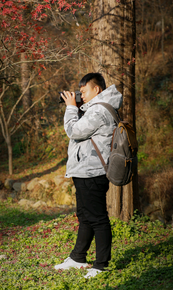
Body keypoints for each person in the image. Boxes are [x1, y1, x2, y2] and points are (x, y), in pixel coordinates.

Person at [54, 73, 123, 278]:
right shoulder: (94, 109)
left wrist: (70, 107)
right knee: (85, 216)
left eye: (83, 92)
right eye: (79, 92)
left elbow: (74, 131)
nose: (80, 95)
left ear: (97, 90)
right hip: (85, 171)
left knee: (98, 219)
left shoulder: (99, 111)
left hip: (92, 172)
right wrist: (78, 107)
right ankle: (78, 257)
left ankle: (101, 265)